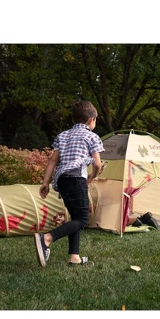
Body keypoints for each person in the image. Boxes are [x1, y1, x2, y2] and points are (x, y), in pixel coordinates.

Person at [34, 100, 104, 267]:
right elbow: (97, 164)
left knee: (75, 217)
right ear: (91, 120)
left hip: (62, 181)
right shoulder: (92, 136)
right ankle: (46, 239)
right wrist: (93, 176)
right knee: (83, 220)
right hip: (76, 180)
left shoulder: (63, 135)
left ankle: (74, 257)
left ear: (73, 120)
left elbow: (53, 160)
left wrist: (45, 182)